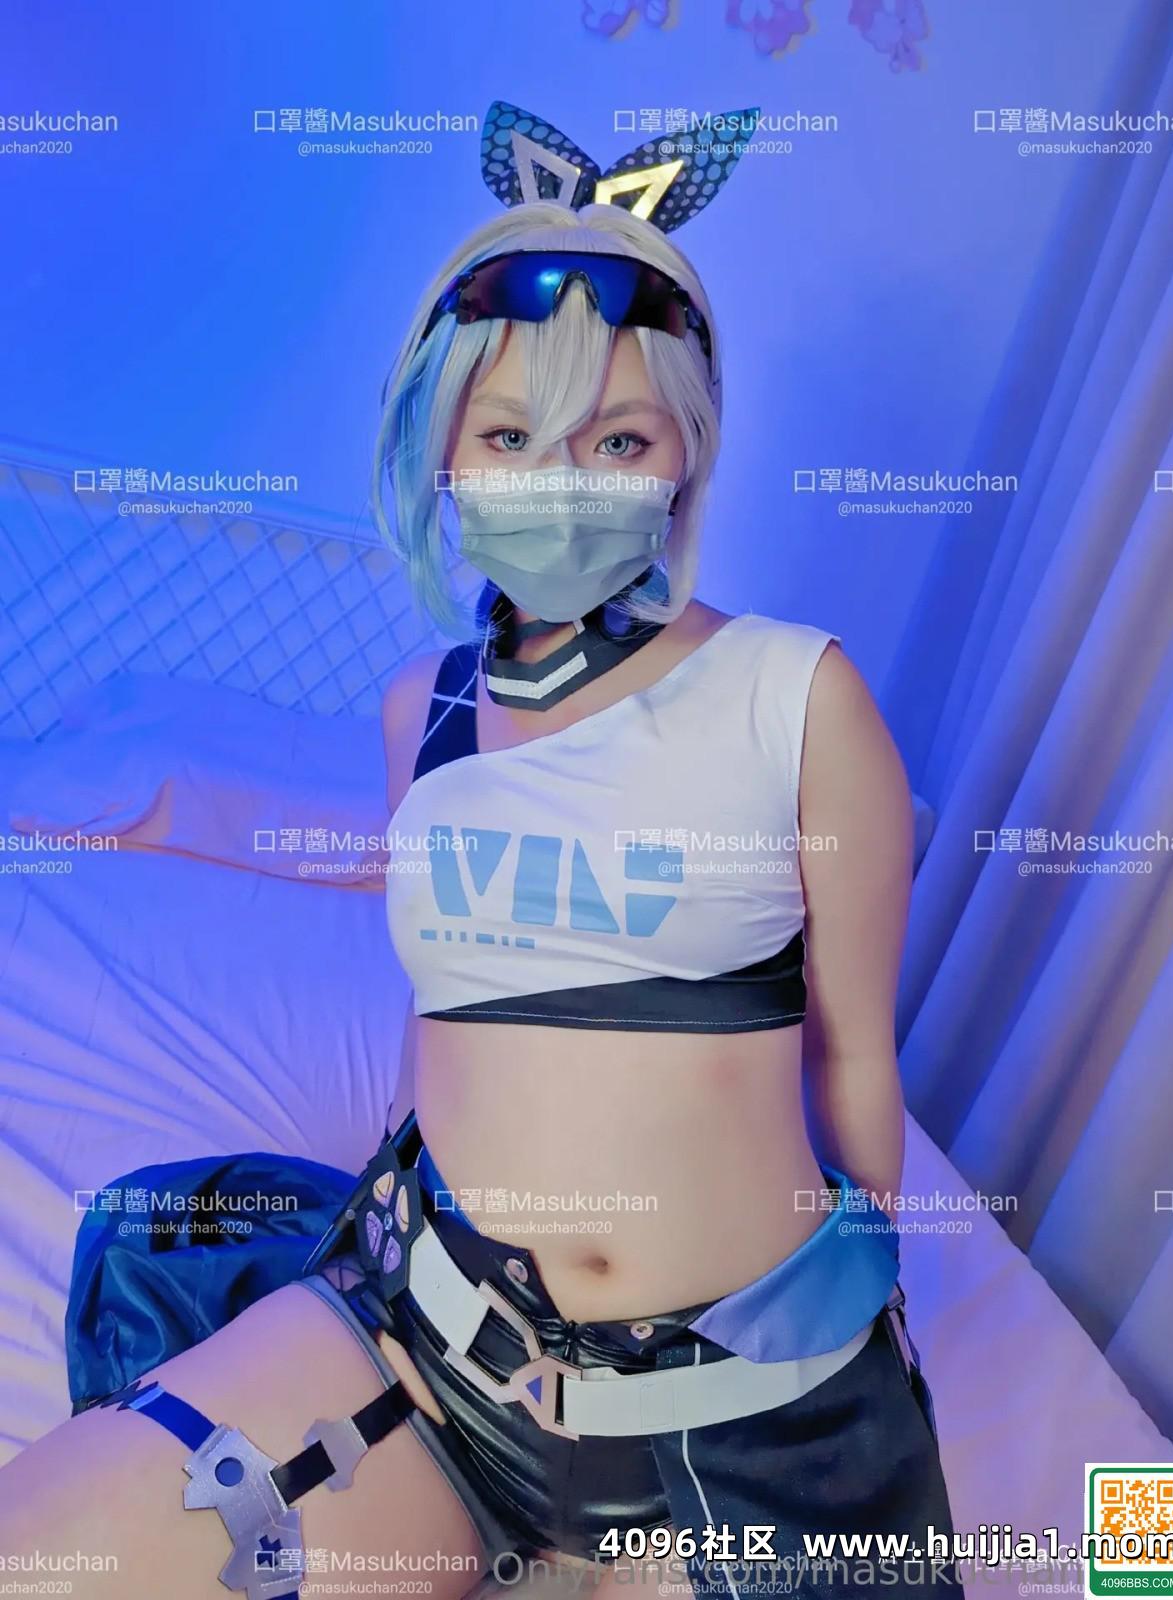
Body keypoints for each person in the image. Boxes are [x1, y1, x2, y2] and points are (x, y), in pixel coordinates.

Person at [0, 103, 963, 1600]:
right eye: (511, 437)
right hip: (431, 1342)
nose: (560, 483)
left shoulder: (800, 697)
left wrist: (860, 1322)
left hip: (743, 1408)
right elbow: (454, 1008)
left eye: (616, 440)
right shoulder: (423, 709)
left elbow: (853, 1057)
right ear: (444, 453)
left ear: (685, 459)